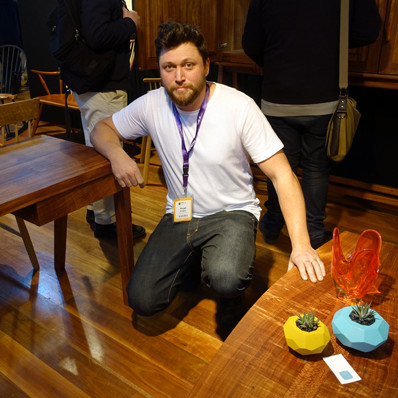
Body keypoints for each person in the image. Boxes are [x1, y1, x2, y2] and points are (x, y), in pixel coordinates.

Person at [90, 21, 325, 331]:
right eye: (168, 67)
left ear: (206, 66)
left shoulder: (238, 106)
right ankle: (192, 261)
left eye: (188, 65)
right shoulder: (151, 104)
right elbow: (100, 129)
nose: (178, 76)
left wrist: (301, 244)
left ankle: (232, 298)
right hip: (181, 213)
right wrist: (117, 154)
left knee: (226, 278)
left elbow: (283, 174)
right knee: (142, 300)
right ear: (159, 70)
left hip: (233, 212)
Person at [242, 0, 381, 249]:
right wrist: (329, 39)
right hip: (324, 97)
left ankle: (273, 222)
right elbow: (368, 31)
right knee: (317, 169)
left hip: (278, 97)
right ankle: (315, 232)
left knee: (281, 168)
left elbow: (251, 44)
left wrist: (280, 55)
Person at [72, 0, 145, 239]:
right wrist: (129, 23)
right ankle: (108, 222)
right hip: (103, 86)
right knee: (108, 152)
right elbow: (98, 35)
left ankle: (96, 211)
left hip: (91, 84)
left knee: (96, 150)